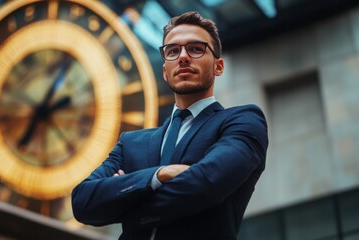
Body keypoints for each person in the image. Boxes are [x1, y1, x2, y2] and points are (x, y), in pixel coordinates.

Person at [71, 11, 268, 240]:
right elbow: (82, 201)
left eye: (196, 49)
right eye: (173, 51)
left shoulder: (243, 121)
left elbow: (207, 184)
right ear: (165, 71)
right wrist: (158, 174)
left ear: (218, 66)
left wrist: (124, 203)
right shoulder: (130, 143)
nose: (183, 57)